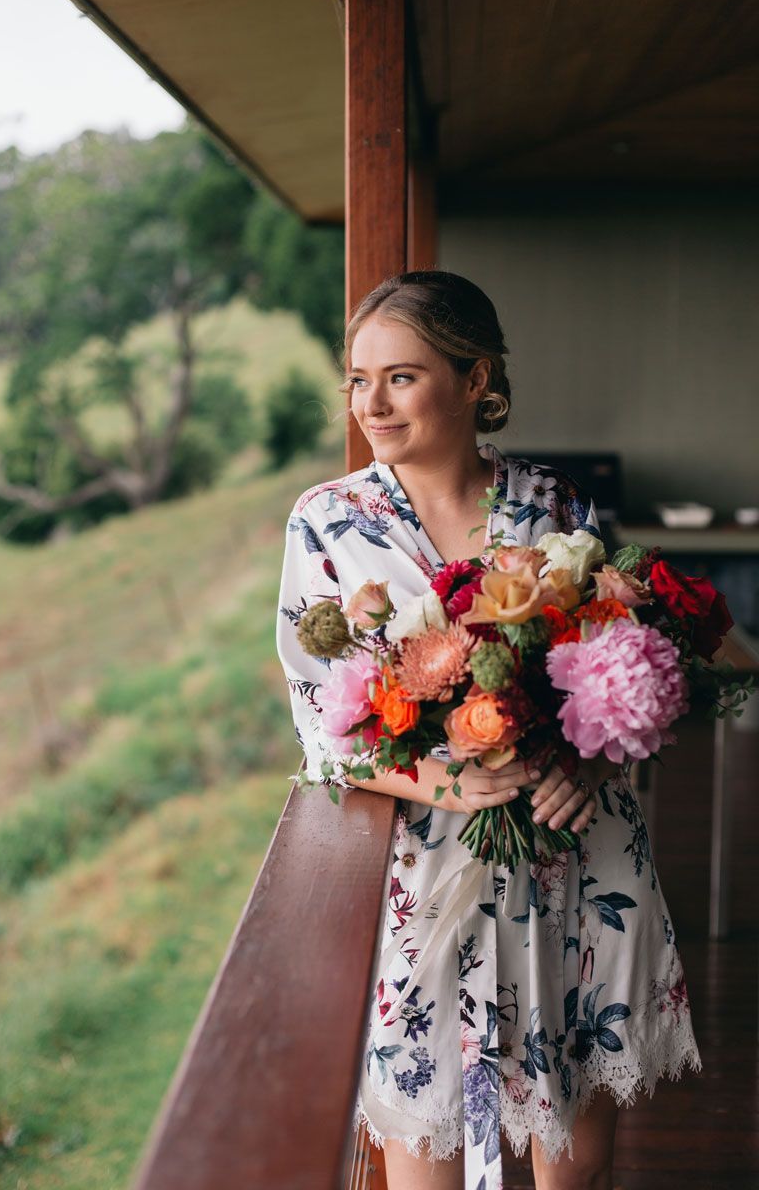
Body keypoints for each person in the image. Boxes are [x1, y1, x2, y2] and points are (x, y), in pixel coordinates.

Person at [275, 271, 702, 1190]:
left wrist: (587, 767)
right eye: (358, 379)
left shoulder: (550, 506)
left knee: (571, 1166)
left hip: (573, 850)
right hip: (426, 870)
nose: (372, 403)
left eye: (401, 376)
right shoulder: (328, 522)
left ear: (476, 379)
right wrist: (448, 784)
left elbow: (616, 669)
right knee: (423, 1150)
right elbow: (320, 724)